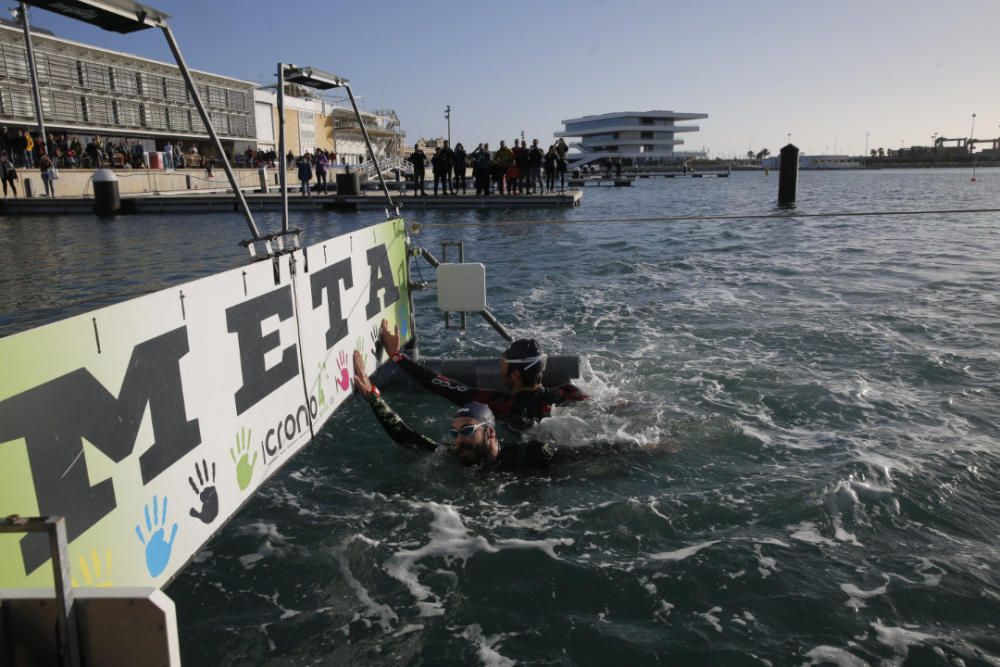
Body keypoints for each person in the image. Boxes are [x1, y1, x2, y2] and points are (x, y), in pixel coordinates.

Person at [378, 319, 586, 433]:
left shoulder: (500, 404)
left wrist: (397, 356)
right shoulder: (568, 393)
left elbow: (439, 384)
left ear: (515, 374)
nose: (499, 364)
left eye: (503, 362)